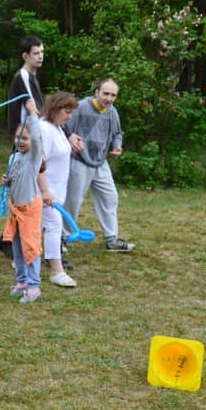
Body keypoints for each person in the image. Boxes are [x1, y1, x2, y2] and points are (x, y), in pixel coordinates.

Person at [63, 78, 135, 253]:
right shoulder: (80, 107)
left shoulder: (112, 112)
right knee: (73, 202)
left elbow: (117, 133)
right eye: (105, 93)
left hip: (100, 163)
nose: (108, 98)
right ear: (97, 92)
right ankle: (61, 239)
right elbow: (62, 127)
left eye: (113, 95)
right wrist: (70, 136)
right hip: (79, 161)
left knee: (110, 197)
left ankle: (112, 240)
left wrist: (117, 145)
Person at [0, 36, 45, 259]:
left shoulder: (32, 76)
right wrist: (22, 141)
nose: (40, 56)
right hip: (26, 143)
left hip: (29, 141)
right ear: (25, 56)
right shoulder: (23, 76)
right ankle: (9, 239)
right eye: (36, 53)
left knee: (25, 192)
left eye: (42, 52)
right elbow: (31, 109)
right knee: (23, 193)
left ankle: (9, 238)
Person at [1, 105, 44, 303]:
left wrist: (33, 115)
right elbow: (15, 178)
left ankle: (34, 287)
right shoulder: (14, 157)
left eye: (24, 138)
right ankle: (23, 281)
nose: (20, 142)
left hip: (29, 210)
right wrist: (7, 180)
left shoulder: (34, 157)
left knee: (31, 247)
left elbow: (36, 138)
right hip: (16, 210)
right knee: (17, 247)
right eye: (18, 137)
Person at [37, 91, 80, 287]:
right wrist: (45, 191)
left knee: (39, 227)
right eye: (67, 111)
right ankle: (57, 270)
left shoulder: (58, 128)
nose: (69, 116)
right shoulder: (44, 129)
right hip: (44, 191)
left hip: (56, 191)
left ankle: (23, 259)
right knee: (54, 226)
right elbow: (39, 161)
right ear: (54, 109)